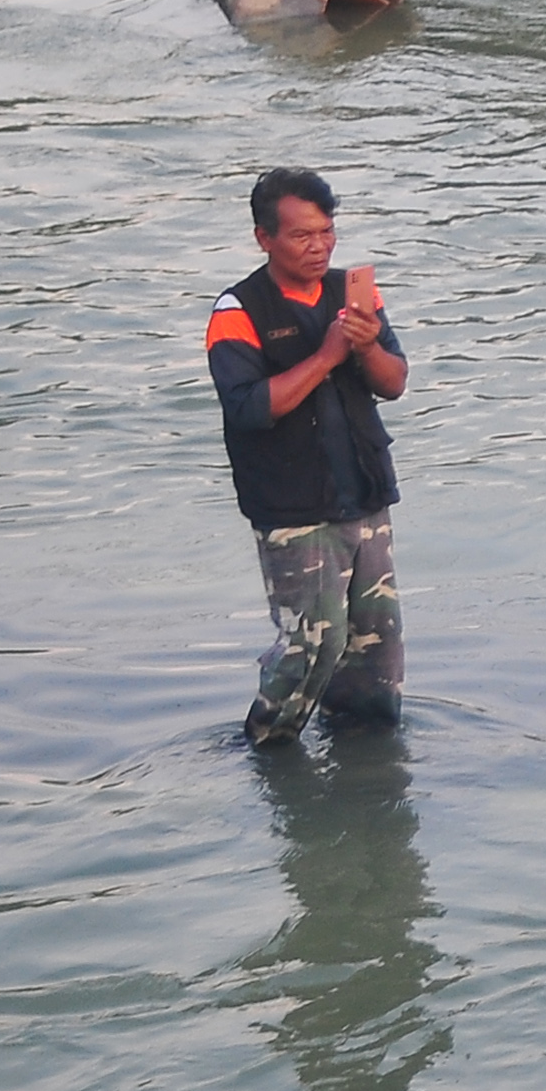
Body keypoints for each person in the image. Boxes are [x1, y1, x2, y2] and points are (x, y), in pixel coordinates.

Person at [206, 167, 409, 745]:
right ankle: (269, 748)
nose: (319, 247)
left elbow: (394, 383)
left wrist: (366, 346)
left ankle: (366, 759)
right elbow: (249, 408)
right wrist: (327, 354)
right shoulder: (237, 312)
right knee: (312, 646)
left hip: (363, 499)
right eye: (302, 236)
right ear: (264, 238)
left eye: (327, 233)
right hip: (293, 510)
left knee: (376, 646)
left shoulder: (356, 293)